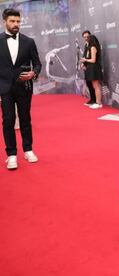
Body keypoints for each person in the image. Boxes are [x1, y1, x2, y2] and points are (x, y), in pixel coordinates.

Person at [0, 8, 41, 170]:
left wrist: (34, 73)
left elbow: (37, 63)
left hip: (24, 87)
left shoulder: (29, 42)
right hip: (4, 88)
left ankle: (28, 149)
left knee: (25, 119)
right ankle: (11, 154)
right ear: (4, 22)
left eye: (18, 21)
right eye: (12, 21)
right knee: (8, 120)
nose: (16, 24)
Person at [80, 34, 103, 109]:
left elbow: (93, 60)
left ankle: (98, 103)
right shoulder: (91, 47)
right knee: (96, 86)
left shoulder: (93, 47)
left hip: (94, 68)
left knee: (96, 86)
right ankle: (97, 102)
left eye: (88, 39)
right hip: (92, 68)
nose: (87, 40)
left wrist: (85, 60)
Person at [80, 30, 96, 106]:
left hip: (92, 67)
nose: (86, 38)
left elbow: (92, 58)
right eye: (84, 37)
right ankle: (92, 99)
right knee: (88, 83)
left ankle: (95, 100)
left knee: (93, 84)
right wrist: (83, 64)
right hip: (87, 67)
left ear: (90, 36)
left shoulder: (92, 46)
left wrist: (85, 61)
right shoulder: (86, 45)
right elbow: (85, 56)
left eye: (87, 37)